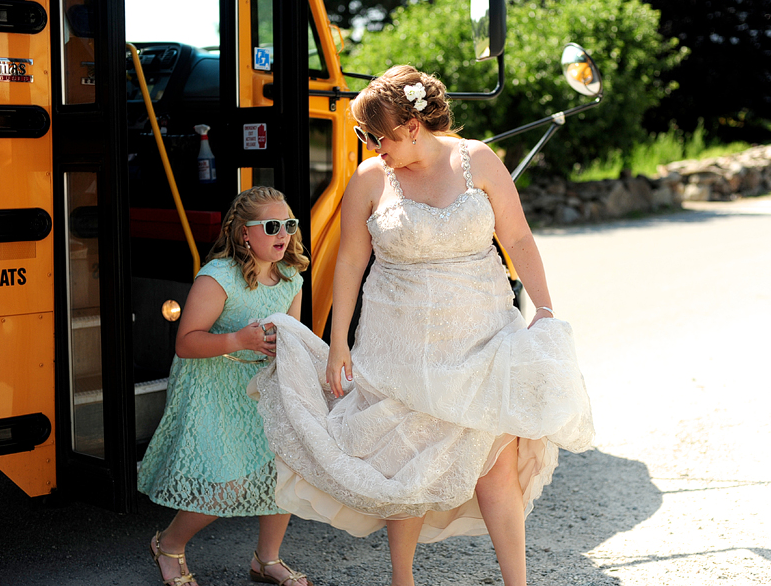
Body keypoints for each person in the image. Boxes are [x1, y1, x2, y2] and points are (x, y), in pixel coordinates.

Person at [248, 66, 594, 586]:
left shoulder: (478, 161)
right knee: (402, 465)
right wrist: (338, 338)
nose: (372, 145)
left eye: (379, 135)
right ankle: (402, 581)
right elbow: (348, 261)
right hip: (397, 345)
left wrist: (543, 309)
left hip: (482, 337)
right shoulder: (369, 178)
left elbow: (518, 238)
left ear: (413, 126)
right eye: (366, 136)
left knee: (496, 464)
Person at [138, 187, 313, 586]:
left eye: (289, 224)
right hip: (212, 386)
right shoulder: (218, 278)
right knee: (226, 485)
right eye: (271, 226)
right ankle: (168, 545)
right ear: (243, 234)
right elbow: (186, 343)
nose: (283, 233)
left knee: (281, 471)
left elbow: (290, 337)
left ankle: (266, 560)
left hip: (259, 385)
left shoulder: (291, 278)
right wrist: (239, 340)